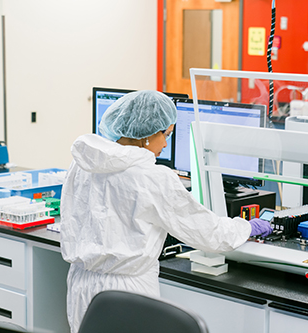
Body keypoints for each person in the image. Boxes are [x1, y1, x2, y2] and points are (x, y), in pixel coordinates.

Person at [60, 90, 273, 333]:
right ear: (147, 135)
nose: (165, 144)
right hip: (128, 295)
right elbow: (208, 233)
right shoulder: (152, 177)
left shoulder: (82, 162)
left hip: (81, 288)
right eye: (167, 134)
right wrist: (247, 227)